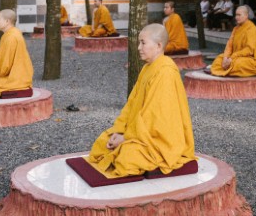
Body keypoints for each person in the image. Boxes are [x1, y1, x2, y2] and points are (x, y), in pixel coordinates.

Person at [84, 23, 196, 178]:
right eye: (139, 43)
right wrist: (119, 130)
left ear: (158, 46)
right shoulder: (146, 68)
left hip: (159, 139)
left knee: (126, 157)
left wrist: (126, 138)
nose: (138, 48)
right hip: (139, 132)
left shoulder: (166, 72)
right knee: (103, 142)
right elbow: (131, 104)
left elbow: (154, 118)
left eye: (143, 43)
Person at [210, 5, 256, 77]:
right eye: (236, 15)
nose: (236, 17)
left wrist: (232, 58)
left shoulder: (252, 29)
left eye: (239, 15)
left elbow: (249, 50)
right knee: (219, 59)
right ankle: (230, 69)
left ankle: (231, 69)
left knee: (238, 64)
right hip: (235, 56)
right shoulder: (236, 29)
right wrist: (226, 57)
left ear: (246, 15)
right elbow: (229, 45)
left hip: (251, 59)